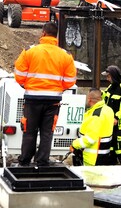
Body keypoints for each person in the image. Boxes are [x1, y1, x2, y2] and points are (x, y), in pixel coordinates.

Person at [14, 22, 77, 167]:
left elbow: (19, 74)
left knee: (29, 131)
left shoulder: (30, 51)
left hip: (32, 99)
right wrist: (57, 88)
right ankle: (42, 161)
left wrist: (27, 85)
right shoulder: (65, 55)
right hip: (53, 101)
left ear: (43, 33)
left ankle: (24, 161)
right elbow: (70, 80)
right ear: (56, 36)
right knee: (47, 132)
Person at [70, 89, 115, 166]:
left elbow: (90, 139)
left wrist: (74, 144)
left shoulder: (96, 115)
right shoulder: (108, 110)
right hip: (104, 154)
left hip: (92, 158)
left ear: (90, 99)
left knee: (89, 177)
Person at [101, 65, 121, 165]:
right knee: (111, 150)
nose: (107, 79)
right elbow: (105, 100)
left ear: (113, 76)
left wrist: (117, 117)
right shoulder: (111, 87)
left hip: (120, 125)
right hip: (110, 124)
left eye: (108, 76)